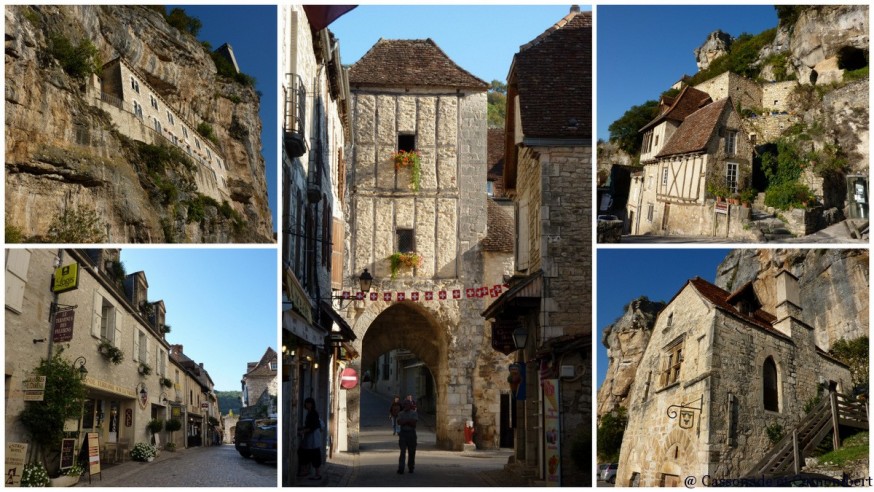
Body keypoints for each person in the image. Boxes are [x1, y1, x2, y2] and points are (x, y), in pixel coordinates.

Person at [297, 397, 322, 480]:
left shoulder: (313, 413)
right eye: (306, 403)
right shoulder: (309, 413)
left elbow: (313, 426)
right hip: (310, 438)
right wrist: (301, 428)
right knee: (303, 452)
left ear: (312, 404)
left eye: (308, 403)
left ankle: (317, 474)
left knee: (314, 455)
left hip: (313, 438)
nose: (307, 405)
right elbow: (309, 425)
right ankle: (305, 471)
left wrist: (303, 431)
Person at [396, 400, 418, 474]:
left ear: (410, 405)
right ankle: (401, 468)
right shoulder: (400, 413)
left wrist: (405, 421)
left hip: (411, 434)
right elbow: (399, 422)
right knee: (402, 452)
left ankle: (411, 467)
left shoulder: (414, 413)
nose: (406, 406)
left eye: (407, 404)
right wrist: (408, 421)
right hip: (403, 434)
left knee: (411, 452)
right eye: (404, 404)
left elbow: (414, 424)